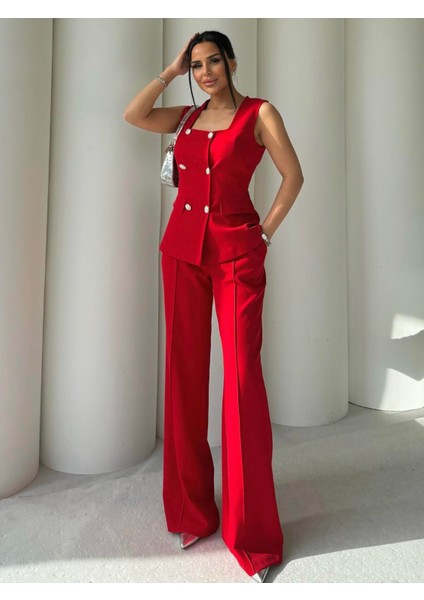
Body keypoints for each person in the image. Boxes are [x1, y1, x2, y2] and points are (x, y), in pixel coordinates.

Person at [124, 30, 303, 583]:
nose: (205, 73)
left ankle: (252, 536)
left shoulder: (259, 113)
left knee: (242, 382)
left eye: (213, 62)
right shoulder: (185, 117)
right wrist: (170, 70)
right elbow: (134, 114)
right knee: (183, 376)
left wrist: (263, 235)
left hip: (236, 256)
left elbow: (293, 176)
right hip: (181, 252)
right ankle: (191, 512)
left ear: (231, 63)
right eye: (197, 65)